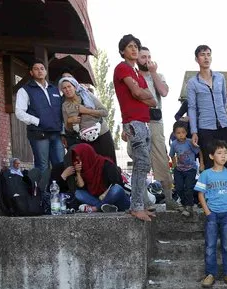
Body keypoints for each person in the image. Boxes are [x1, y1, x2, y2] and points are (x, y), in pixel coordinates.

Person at [113, 34, 157, 222]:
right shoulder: (122, 68)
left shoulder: (138, 72)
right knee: (141, 163)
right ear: (123, 50)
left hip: (144, 122)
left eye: (136, 47)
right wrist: (141, 94)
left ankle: (140, 204)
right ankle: (136, 206)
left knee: (144, 164)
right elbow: (137, 92)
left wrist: (142, 94)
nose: (134, 50)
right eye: (130, 46)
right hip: (133, 122)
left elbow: (153, 100)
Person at [195, 140, 227, 288]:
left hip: (226, 215)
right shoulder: (206, 174)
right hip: (212, 214)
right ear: (211, 156)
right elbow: (200, 194)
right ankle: (210, 274)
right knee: (210, 245)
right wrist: (207, 212)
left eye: (225, 153)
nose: (223, 156)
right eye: (219, 153)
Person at [138, 47, 178, 210]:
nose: (146, 60)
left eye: (148, 56)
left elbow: (164, 91)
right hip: (137, 121)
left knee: (161, 158)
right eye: (142, 57)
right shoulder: (132, 76)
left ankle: (169, 198)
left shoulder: (158, 76)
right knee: (140, 160)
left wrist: (153, 73)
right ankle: (143, 200)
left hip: (155, 121)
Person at [187, 45, 227, 172]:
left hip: (223, 125)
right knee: (210, 163)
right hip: (206, 127)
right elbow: (192, 108)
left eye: (208, 54)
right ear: (196, 59)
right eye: (202, 55)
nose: (206, 58)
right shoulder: (193, 82)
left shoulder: (220, 77)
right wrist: (194, 131)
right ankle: (211, 192)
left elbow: (224, 101)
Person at [15, 59, 64, 173]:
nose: (39, 71)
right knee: (42, 166)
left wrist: (63, 132)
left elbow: (61, 111)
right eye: (36, 69)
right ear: (31, 72)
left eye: (42, 69)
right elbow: (19, 112)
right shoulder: (25, 90)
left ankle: (60, 190)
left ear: (46, 71)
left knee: (60, 164)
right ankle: (43, 191)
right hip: (39, 134)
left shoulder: (55, 89)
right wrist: (38, 121)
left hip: (56, 134)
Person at [58, 76, 117, 163]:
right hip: (86, 139)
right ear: (62, 91)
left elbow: (104, 112)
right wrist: (70, 121)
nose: (67, 89)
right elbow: (68, 129)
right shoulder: (65, 106)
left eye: (69, 86)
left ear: (74, 87)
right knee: (93, 166)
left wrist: (87, 111)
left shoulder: (86, 95)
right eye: (64, 88)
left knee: (109, 163)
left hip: (102, 134)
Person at [71, 143, 130, 213]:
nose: (77, 159)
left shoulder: (106, 164)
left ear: (87, 155)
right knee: (78, 193)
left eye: (79, 156)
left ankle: (96, 208)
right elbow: (81, 187)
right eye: (76, 156)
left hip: (117, 200)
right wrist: (78, 173)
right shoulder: (84, 170)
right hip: (99, 199)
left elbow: (117, 184)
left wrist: (105, 196)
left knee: (117, 189)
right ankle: (106, 207)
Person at [170, 121, 200, 217]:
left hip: (191, 169)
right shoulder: (174, 144)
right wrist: (175, 166)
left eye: (183, 132)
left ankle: (189, 206)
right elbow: (171, 155)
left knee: (188, 187)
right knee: (178, 187)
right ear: (174, 134)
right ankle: (184, 203)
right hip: (179, 169)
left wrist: (202, 164)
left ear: (186, 133)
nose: (181, 135)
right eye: (178, 133)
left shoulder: (190, 142)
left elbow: (199, 152)